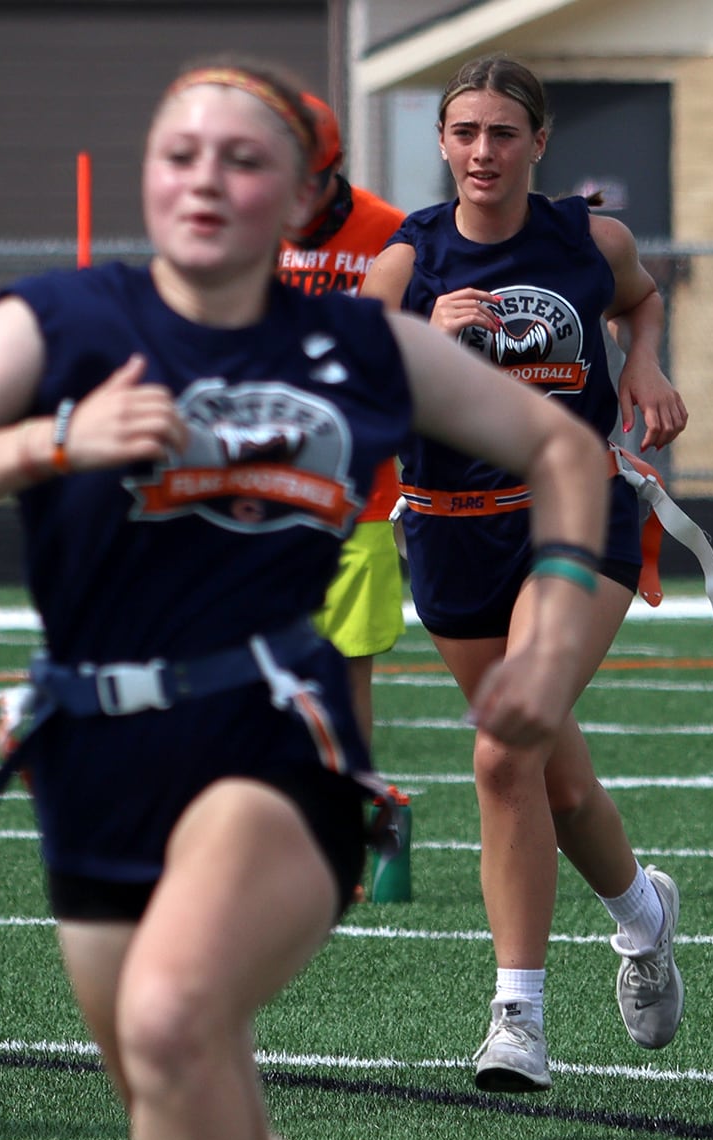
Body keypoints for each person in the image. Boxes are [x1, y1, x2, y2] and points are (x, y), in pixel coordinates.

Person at [0, 60, 618, 1140]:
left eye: (242, 160)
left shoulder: (359, 340)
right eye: (179, 153)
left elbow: (566, 451)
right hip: (90, 748)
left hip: (273, 728)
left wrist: (547, 628)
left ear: (308, 195)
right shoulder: (61, 319)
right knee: (177, 1082)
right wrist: (49, 442)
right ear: (148, 173)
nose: (206, 180)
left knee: (170, 1022)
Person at [361, 54, 691, 1092]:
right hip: (453, 529)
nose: (482, 152)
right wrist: (419, 338)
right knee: (553, 771)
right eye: (465, 133)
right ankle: (642, 916)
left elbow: (642, 299)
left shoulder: (589, 239)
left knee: (506, 751)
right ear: (444, 144)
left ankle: (518, 1019)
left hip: (574, 510)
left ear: (539, 143)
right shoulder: (406, 263)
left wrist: (643, 362)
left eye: (504, 133)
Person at [277, 91, 419, 898]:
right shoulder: (244, 225)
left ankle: (347, 826)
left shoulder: (392, 232)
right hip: (259, 489)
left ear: (331, 172)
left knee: (343, 673)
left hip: (359, 494)